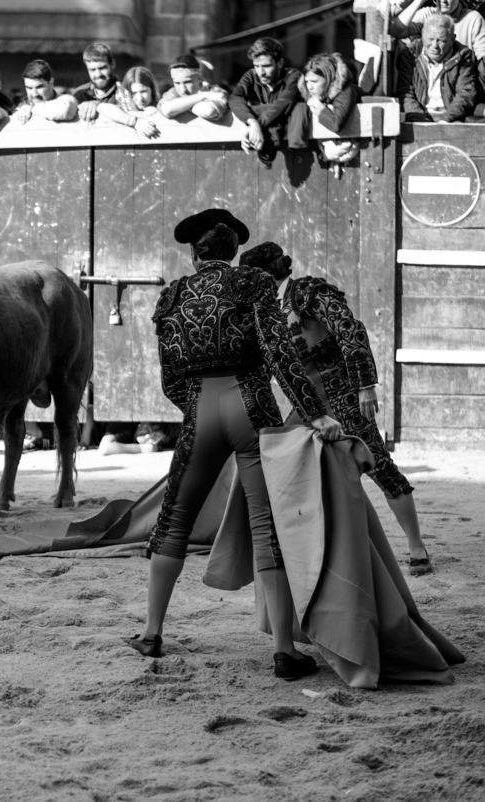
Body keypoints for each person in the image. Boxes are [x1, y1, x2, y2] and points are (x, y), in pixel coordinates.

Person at [130, 208, 342, 682]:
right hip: (252, 409)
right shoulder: (255, 285)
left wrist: (197, 410)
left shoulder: (172, 296)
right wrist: (316, 412)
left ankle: (151, 632)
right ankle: (285, 651)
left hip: (199, 410)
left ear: (193, 252)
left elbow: (169, 378)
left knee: (174, 520)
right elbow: (278, 352)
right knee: (269, 526)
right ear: (235, 254)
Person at [239, 241, 434, 576]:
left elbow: (350, 330)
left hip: (343, 396)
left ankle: (417, 547)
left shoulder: (308, 293)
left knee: (378, 466)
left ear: (264, 275)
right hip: (307, 404)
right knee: (286, 468)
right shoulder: (267, 308)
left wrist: (364, 384)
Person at [228, 37, 301, 165]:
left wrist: (258, 124)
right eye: (257, 66)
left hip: (298, 152)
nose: (261, 72)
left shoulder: (294, 76)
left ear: (279, 63)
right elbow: (235, 98)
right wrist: (251, 122)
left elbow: (284, 104)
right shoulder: (251, 75)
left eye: (266, 66)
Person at [287, 53, 362, 174]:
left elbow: (335, 124)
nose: (309, 86)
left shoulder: (345, 91)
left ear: (329, 80)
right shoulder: (307, 91)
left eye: (314, 81)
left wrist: (318, 106)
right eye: (306, 81)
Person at [396, 13, 477, 122]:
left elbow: (465, 94)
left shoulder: (463, 56)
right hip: (418, 116)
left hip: (451, 118)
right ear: (422, 35)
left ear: (452, 39)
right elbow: (405, 93)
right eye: (430, 39)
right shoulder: (410, 54)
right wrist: (421, 120)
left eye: (441, 40)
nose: (434, 46)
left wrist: (446, 120)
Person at [384, 0, 485, 60]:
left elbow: (482, 59)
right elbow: (397, 30)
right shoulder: (428, 15)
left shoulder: (473, 18)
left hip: (463, 80)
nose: (443, 1)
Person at [158, 54, 228, 121]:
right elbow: (167, 109)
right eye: (177, 83)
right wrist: (204, 95)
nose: (183, 90)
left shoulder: (215, 91)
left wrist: (179, 106)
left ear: (200, 78)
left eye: (188, 82)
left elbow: (209, 111)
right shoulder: (173, 92)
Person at [96, 65, 160, 138]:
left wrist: (157, 112)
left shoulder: (160, 104)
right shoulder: (123, 110)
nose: (139, 98)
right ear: (127, 93)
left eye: (143, 91)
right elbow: (101, 107)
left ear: (152, 90)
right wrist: (135, 122)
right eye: (134, 93)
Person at [71, 43, 127, 122]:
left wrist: (98, 105)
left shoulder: (125, 90)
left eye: (102, 68)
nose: (98, 74)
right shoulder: (79, 95)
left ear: (112, 64)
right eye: (92, 70)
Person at [12, 59, 78, 123]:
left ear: (51, 83)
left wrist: (31, 109)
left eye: (39, 87)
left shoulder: (65, 100)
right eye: (29, 88)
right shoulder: (22, 107)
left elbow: (65, 110)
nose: (34, 94)